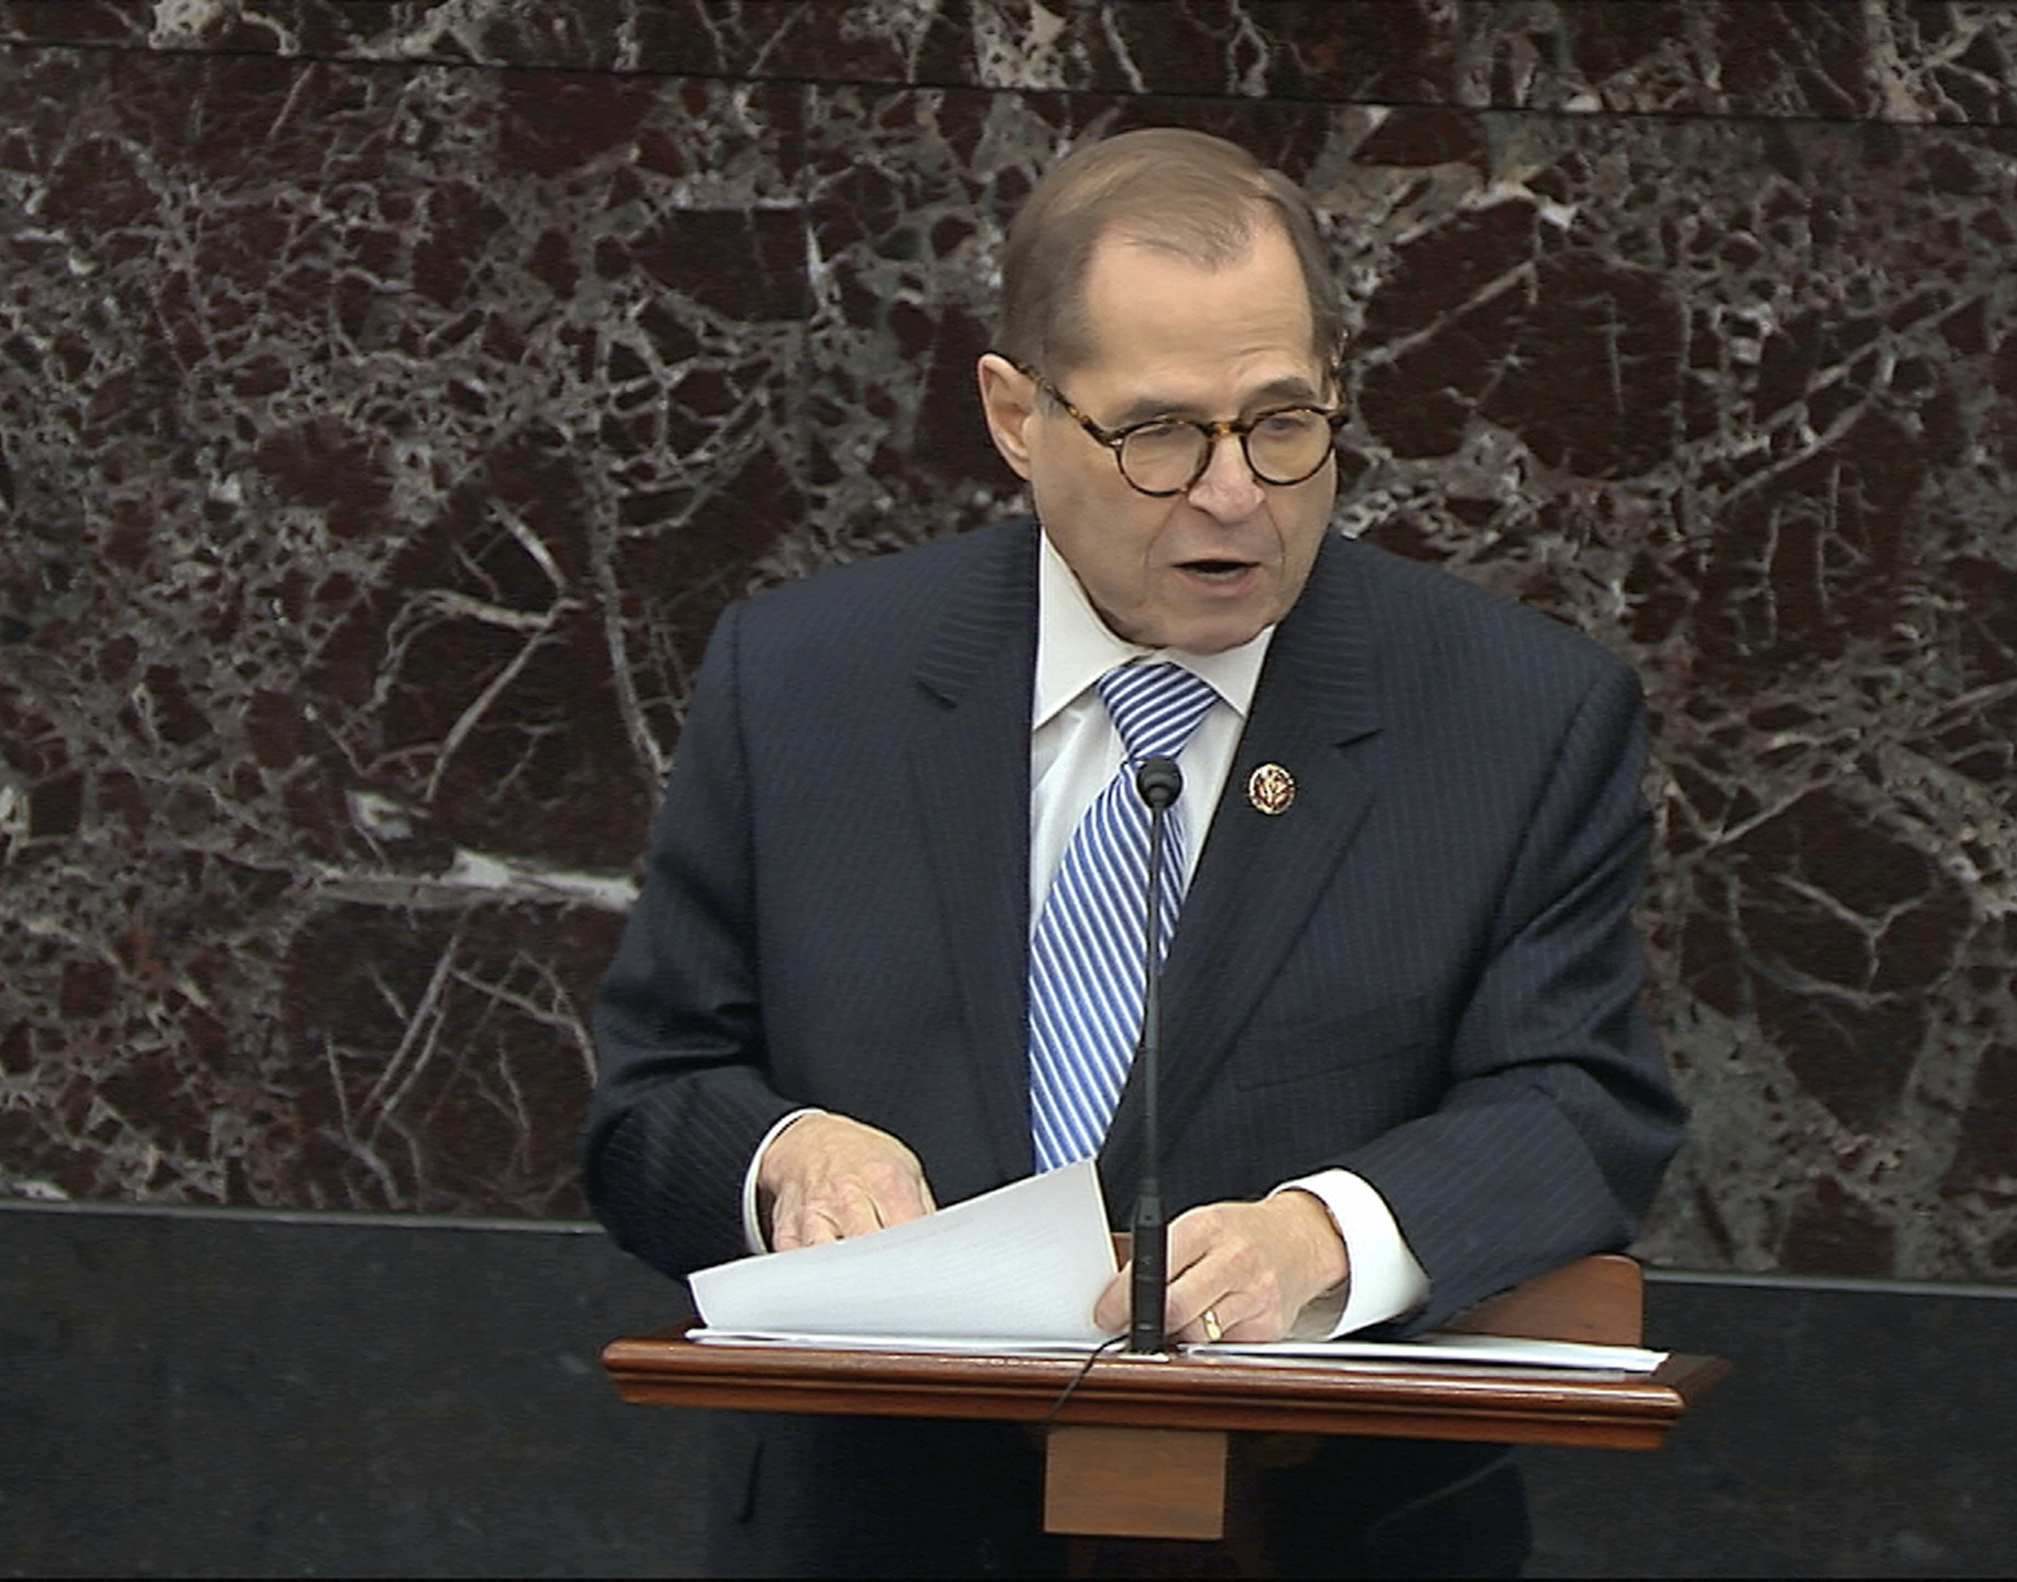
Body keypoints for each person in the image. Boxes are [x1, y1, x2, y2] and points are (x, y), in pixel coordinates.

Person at [585, 127, 1686, 1576]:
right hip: (871, 1531)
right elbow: (654, 1099)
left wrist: (1325, 1237)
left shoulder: (1513, 715)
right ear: (1015, 411)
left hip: (1319, 1534)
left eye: (1284, 421)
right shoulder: (801, 686)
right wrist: (783, 1154)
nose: (1235, 493)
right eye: (1159, 433)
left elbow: (1579, 1101)